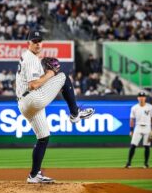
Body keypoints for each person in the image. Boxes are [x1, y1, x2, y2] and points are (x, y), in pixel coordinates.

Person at [16, 30, 95, 184]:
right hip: (32, 98)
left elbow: (27, 82)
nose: (38, 43)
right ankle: (75, 114)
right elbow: (33, 85)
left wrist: (45, 74)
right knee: (63, 77)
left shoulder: (26, 57)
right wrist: (51, 73)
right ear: (28, 43)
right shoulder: (31, 58)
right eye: (34, 41)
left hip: (24, 103)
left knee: (43, 137)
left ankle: (34, 175)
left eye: (39, 41)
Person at [125, 91, 152, 168]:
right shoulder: (134, 108)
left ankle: (146, 163)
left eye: (143, 96)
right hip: (138, 127)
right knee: (133, 145)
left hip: (147, 127)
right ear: (138, 98)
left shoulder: (150, 107)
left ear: (145, 98)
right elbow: (132, 120)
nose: (141, 98)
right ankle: (128, 163)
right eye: (140, 96)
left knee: (147, 146)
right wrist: (131, 130)